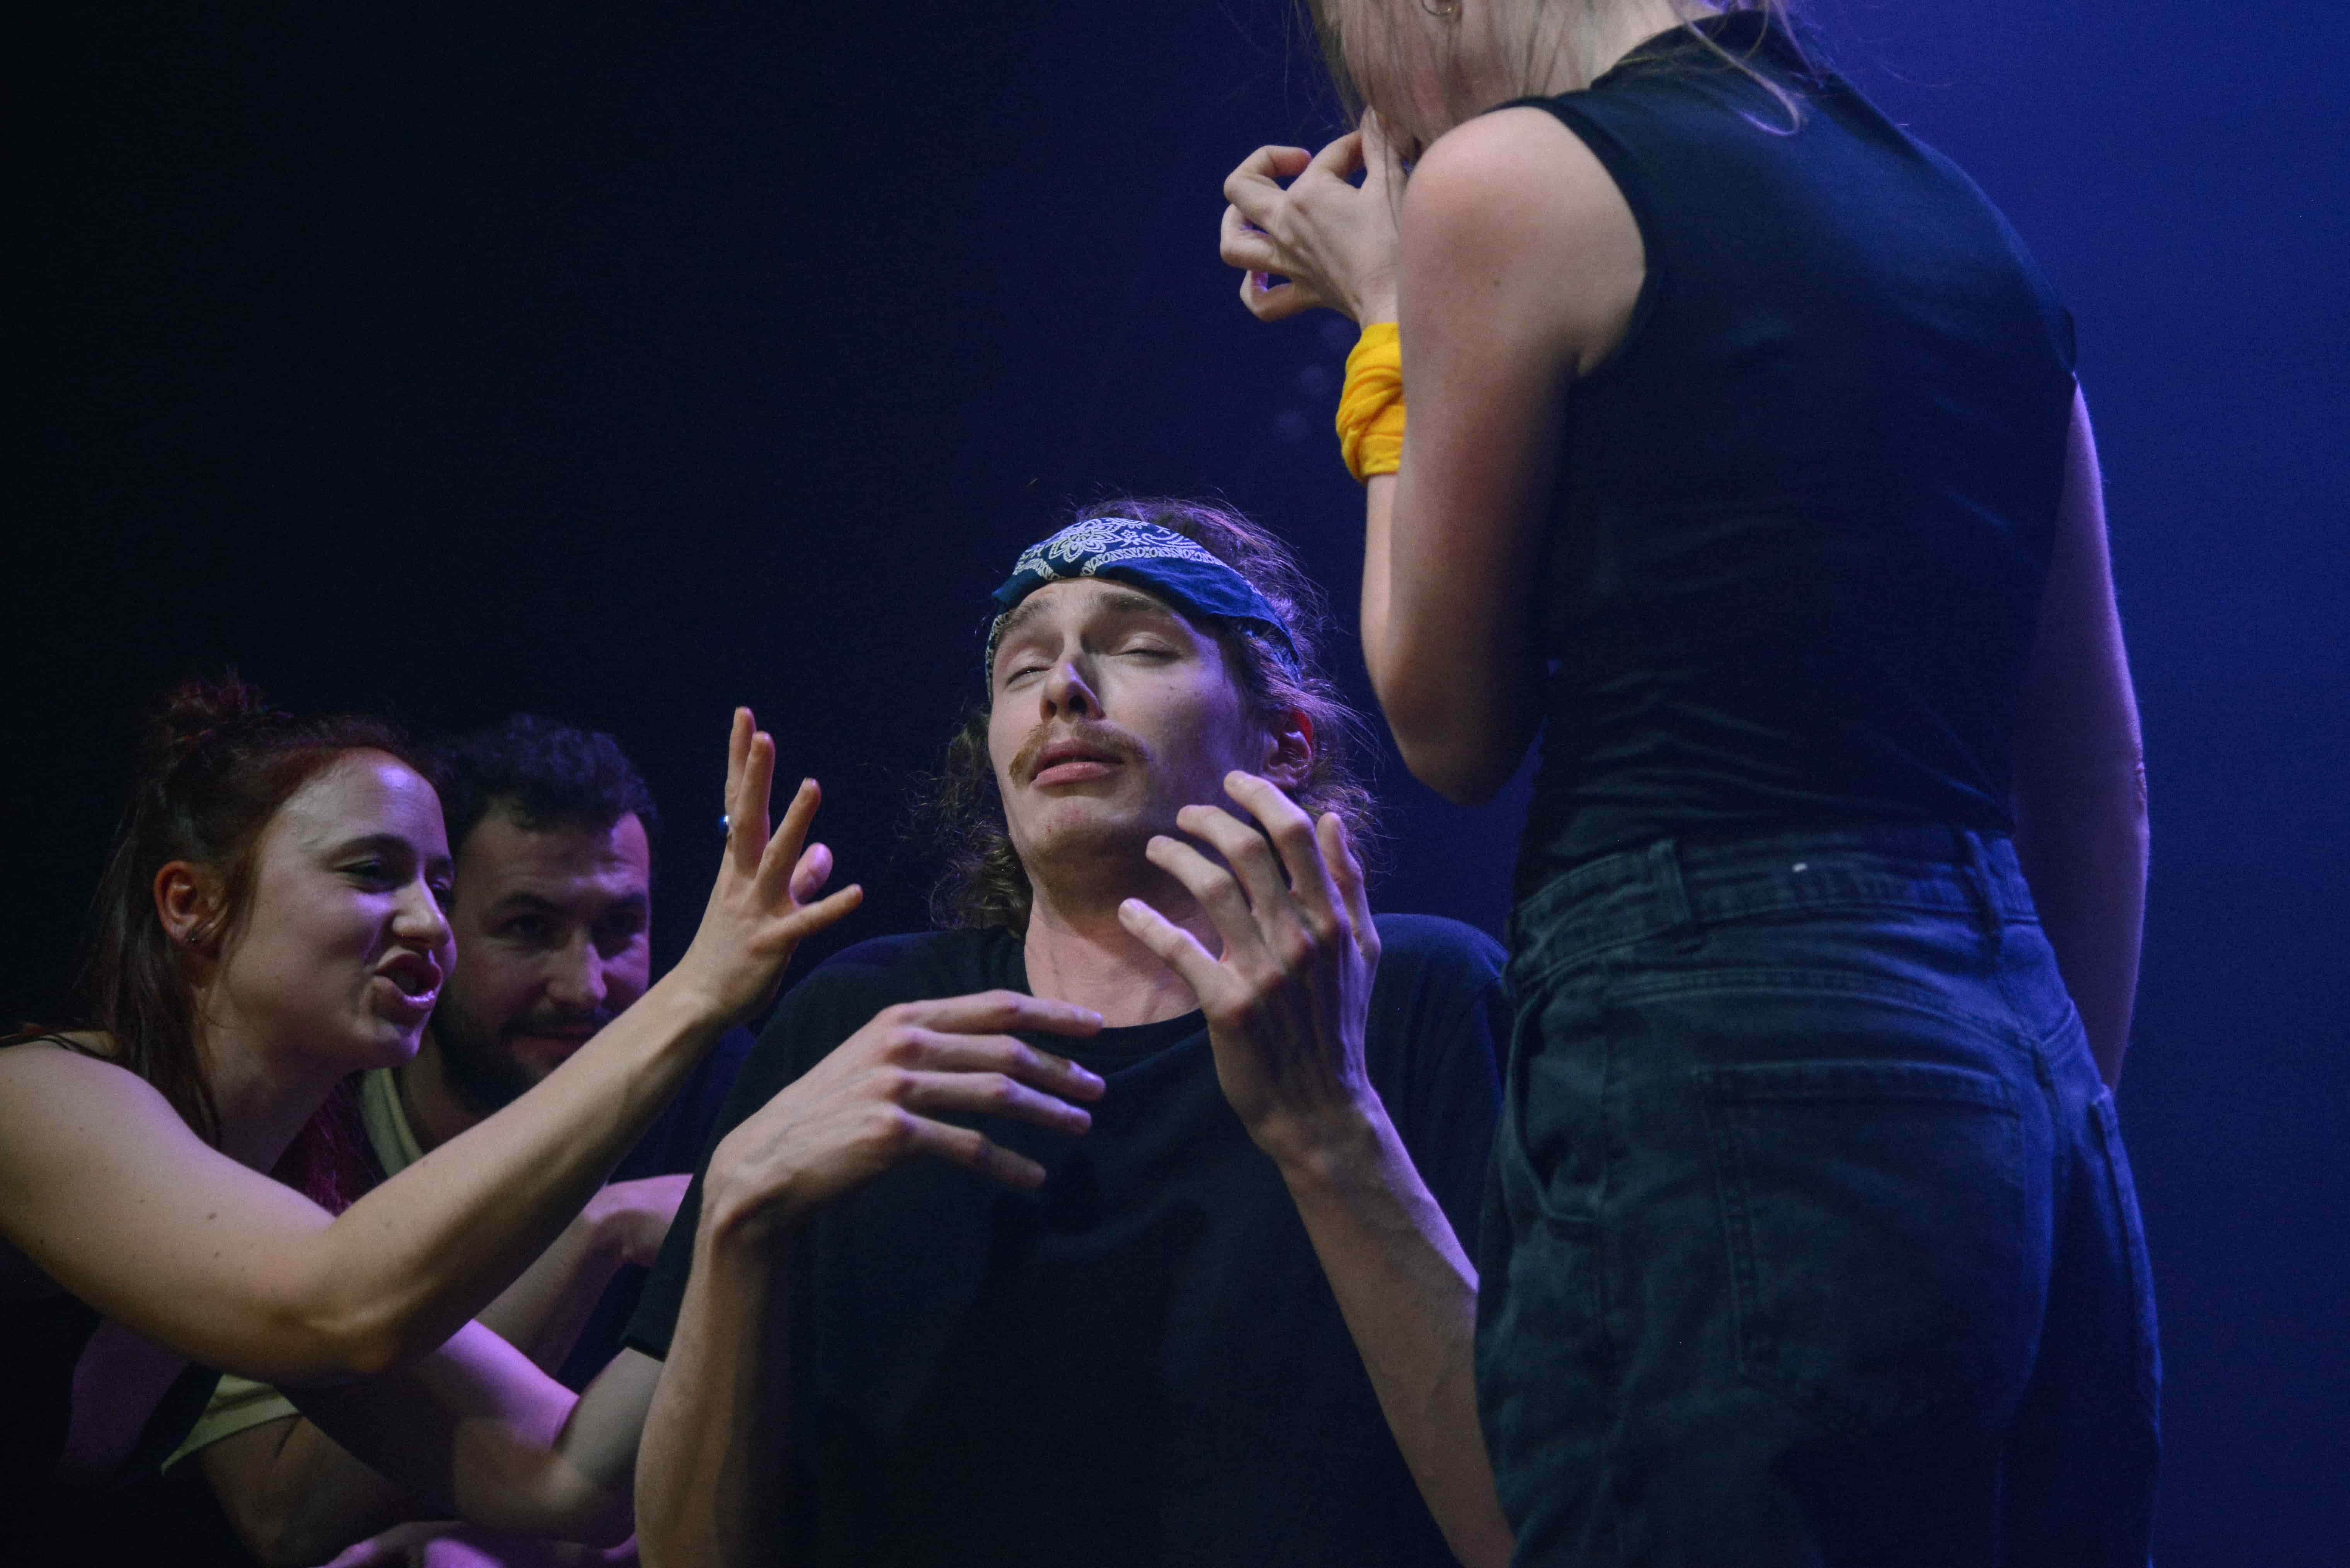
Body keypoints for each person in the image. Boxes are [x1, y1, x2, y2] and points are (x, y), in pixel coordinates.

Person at [1217, 2, 2157, 1563]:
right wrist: (2031, 1134)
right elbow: (2097, 781)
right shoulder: (1967, 228)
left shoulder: (1511, 181)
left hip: (1718, 1029)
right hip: (2033, 1094)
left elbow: (1443, 721)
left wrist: (1389, 320)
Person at [623, 500, 1517, 1568]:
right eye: (1022, 667)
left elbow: (1531, 1530)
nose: (1063, 689)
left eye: (1140, 648)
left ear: (1283, 740)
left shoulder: (1416, 998)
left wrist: (1332, 1122)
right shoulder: (864, 1019)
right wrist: (735, 1212)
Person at [0, 682, 881, 1561]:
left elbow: (564, 1475)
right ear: (191, 904)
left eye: (441, 883)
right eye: (371, 872)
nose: (431, 924)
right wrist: (695, 991)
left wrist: (734, 1227)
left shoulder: (279, 1191)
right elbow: (336, 1304)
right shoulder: (35, 1099)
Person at [167, 716, 756, 1566]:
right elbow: (286, 1513)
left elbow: (592, 1474)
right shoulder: (288, 1112)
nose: (583, 984)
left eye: (621, 926)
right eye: (526, 926)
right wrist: (593, 1228)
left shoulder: (712, 1090)